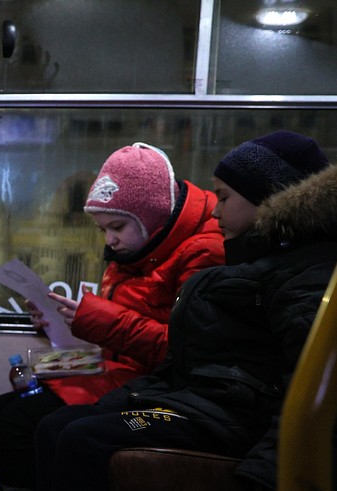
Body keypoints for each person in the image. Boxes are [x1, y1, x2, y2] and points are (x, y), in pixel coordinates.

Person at [35, 130, 335, 491]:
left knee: (84, 437)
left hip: (228, 417)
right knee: (58, 424)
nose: (214, 209)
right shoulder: (248, 264)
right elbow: (185, 362)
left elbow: (304, 400)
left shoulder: (303, 277)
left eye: (224, 197)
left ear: (268, 199)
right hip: (200, 403)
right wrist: (117, 402)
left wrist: (261, 477)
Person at [0, 142, 226, 489]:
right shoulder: (141, 247)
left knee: (23, 421)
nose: (110, 241)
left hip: (158, 383)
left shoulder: (204, 253)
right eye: (103, 230)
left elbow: (186, 351)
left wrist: (97, 319)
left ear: (152, 216)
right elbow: (129, 322)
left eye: (117, 226)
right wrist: (59, 319)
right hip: (122, 368)